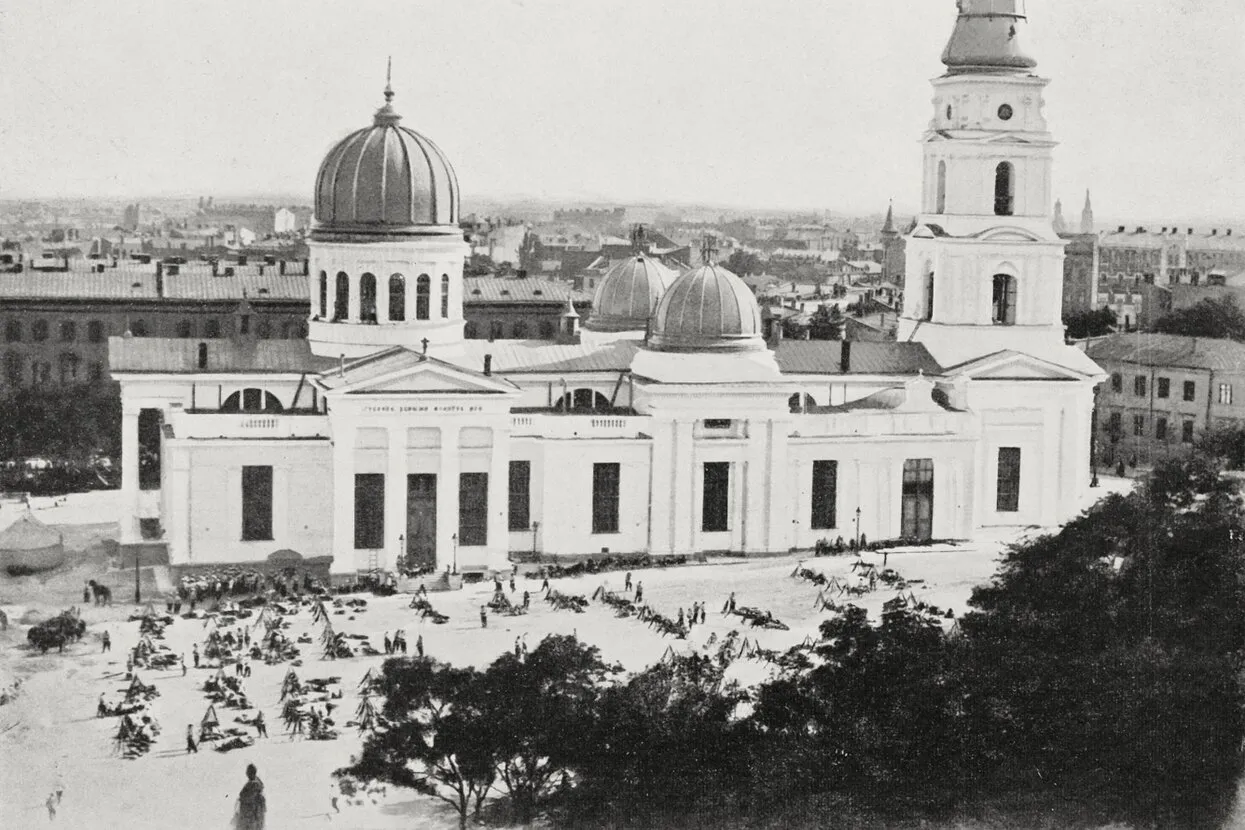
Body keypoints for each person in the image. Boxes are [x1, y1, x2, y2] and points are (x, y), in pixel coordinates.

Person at [233, 763, 266, 830]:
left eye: (248, 771)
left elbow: (248, 798)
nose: (246, 773)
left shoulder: (253, 785)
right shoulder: (256, 785)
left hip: (250, 817)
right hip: (249, 817)